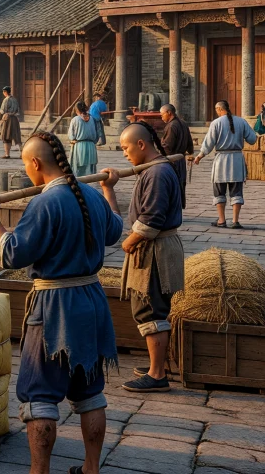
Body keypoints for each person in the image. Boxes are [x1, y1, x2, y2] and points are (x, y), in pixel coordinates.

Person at [0, 132, 121, 474]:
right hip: (92, 300)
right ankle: (91, 469)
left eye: (27, 165)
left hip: (55, 305)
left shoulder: (45, 203)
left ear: (36, 163)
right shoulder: (90, 194)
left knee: (40, 393)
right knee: (91, 390)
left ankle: (38, 471)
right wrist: (108, 190)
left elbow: (12, 254)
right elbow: (115, 231)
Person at [100, 123, 183, 393]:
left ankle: (157, 374)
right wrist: (109, 188)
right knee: (149, 306)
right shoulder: (153, 169)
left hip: (155, 250)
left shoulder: (157, 173)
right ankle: (155, 365)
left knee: (151, 308)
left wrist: (127, 243)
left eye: (125, 148)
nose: (124, 154)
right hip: (153, 247)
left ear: (141, 145)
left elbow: (152, 219)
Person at [196, 100, 258, 229]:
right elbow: (252, 139)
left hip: (221, 161)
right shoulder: (241, 121)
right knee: (236, 192)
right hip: (237, 160)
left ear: (219, 109)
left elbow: (208, 143)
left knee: (219, 191)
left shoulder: (216, 123)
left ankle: (222, 220)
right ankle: (235, 221)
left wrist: (199, 156)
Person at [160, 104, 193, 210]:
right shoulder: (183, 123)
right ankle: (178, 207)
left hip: (172, 160)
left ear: (169, 113)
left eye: (162, 115)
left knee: (171, 185)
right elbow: (190, 143)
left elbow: (167, 146)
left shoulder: (171, 126)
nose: (162, 117)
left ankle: (172, 209)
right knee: (180, 184)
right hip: (181, 159)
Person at [68, 101, 99, 177]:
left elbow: (71, 135)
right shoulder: (92, 119)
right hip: (91, 146)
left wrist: (72, 139)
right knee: (90, 169)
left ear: (77, 110)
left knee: (79, 170)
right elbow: (96, 133)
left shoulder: (75, 119)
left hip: (80, 146)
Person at [0, 86, 22, 159]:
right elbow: (18, 110)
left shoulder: (6, 100)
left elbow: (3, 110)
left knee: (6, 136)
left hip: (8, 119)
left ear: (5, 92)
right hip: (15, 118)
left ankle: (7, 154)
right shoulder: (15, 99)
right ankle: (22, 153)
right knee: (17, 136)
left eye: (3, 92)